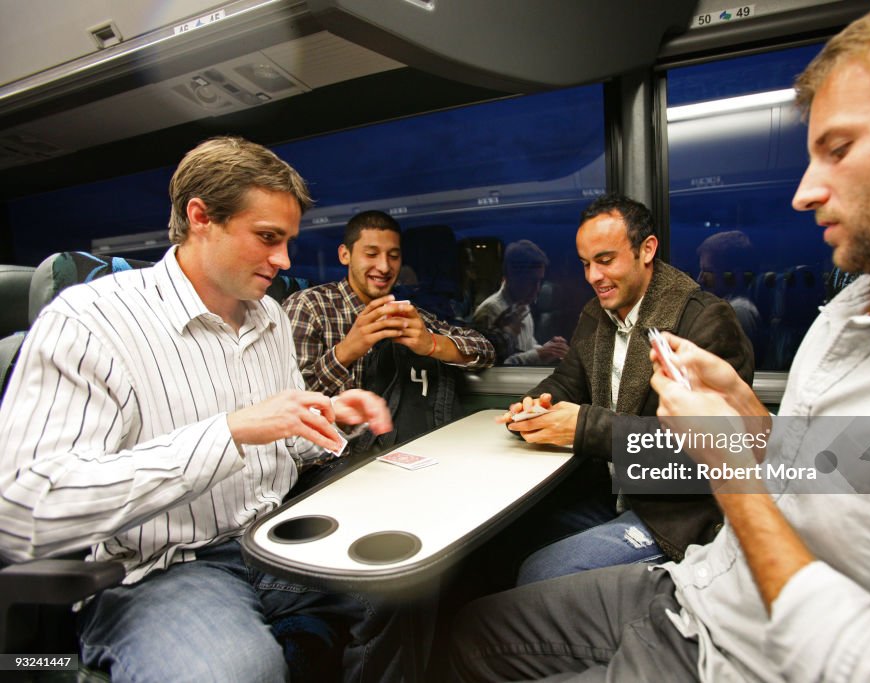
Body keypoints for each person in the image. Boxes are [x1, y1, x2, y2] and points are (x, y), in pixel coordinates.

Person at [451, 0, 870, 680]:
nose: (805, 192)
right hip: (701, 592)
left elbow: (697, 470)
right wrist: (751, 421)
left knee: (536, 565)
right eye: (583, 263)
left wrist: (712, 451)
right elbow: (821, 471)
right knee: (463, 627)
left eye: (839, 149)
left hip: (722, 616)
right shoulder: (850, 313)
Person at [0, 136, 404, 682]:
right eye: (267, 238)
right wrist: (227, 435)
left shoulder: (270, 318)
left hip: (273, 539)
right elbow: (24, 508)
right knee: (235, 672)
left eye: (287, 241)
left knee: (415, 593)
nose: (283, 261)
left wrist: (332, 417)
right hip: (162, 569)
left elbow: (283, 443)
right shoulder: (90, 319)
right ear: (200, 217)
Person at [500, 194, 754, 584]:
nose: (592, 277)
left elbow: (706, 453)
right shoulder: (596, 316)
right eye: (586, 264)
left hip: (679, 515)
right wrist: (535, 404)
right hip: (613, 496)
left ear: (646, 250)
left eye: (605, 260)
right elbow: (567, 381)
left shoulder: (704, 320)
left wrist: (585, 427)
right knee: (503, 539)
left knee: (543, 571)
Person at [282, 210, 494, 434]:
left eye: (393, 256)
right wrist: (345, 352)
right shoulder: (310, 306)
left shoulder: (403, 312)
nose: (384, 267)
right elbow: (287, 403)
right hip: (329, 458)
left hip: (393, 446)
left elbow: (485, 351)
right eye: (371, 254)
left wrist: (431, 344)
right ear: (345, 255)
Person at [472, 239, 569, 365]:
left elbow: (526, 348)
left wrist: (550, 349)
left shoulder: (522, 306)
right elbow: (494, 367)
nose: (537, 289)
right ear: (512, 276)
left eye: (539, 281)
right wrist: (539, 354)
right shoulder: (489, 311)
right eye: (531, 281)